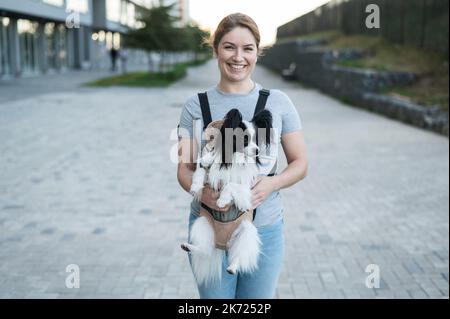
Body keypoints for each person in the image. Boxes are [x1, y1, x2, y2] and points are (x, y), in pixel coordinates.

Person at [177, 13, 308, 299]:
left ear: (257, 52)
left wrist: (271, 184)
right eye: (229, 47)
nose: (238, 57)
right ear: (215, 49)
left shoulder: (279, 103)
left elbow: (300, 163)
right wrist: (203, 195)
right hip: (209, 227)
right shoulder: (194, 107)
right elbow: (184, 169)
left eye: (247, 48)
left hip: (264, 229)